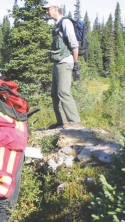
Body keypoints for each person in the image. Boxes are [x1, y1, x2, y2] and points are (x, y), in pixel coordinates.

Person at [42, 0, 81, 129]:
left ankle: (75, 122)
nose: (47, 12)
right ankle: (62, 122)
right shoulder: (57, 25)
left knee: (63, 92)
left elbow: (74, 45)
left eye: (48, 9)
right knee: (54, 93)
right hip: (57, 63)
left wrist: (75, 64)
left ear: (55, 8)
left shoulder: (65, 22)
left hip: (65, 62)